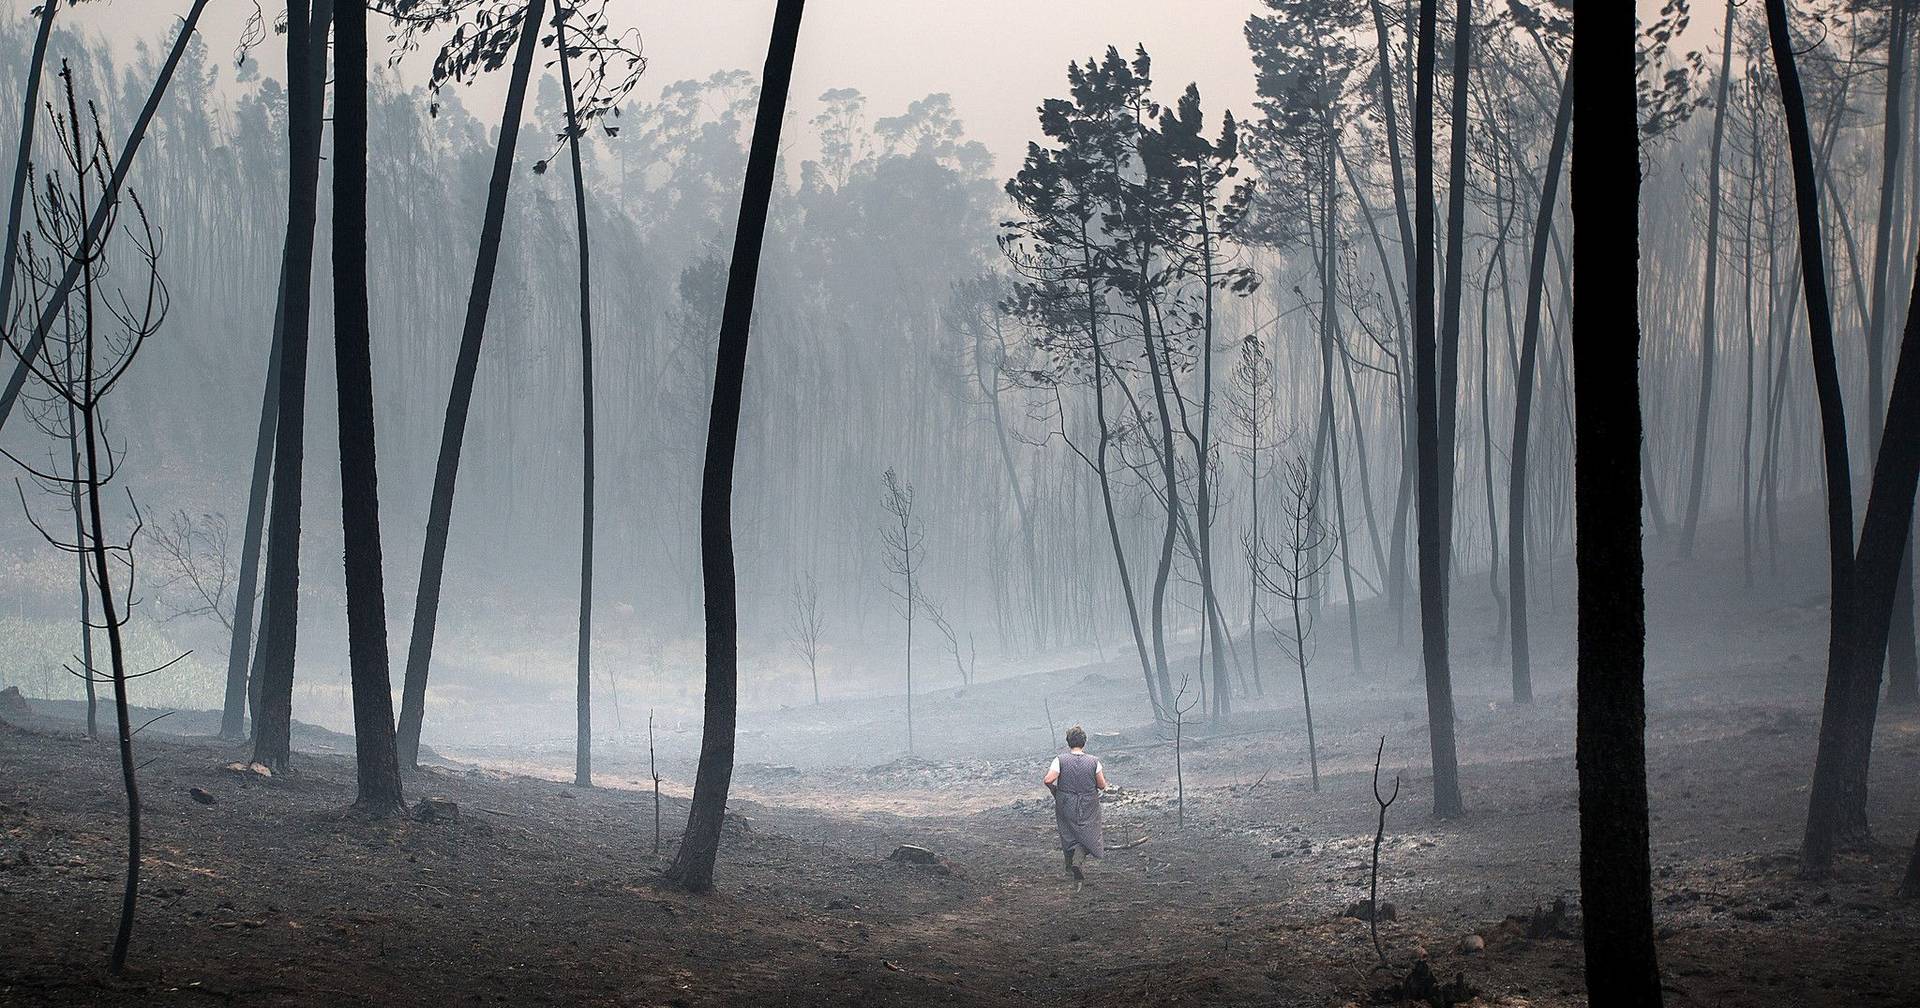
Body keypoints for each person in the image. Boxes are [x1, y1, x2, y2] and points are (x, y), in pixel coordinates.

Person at [1043, 725, 1108, 882]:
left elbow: (1048, 780)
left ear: (1068, 742)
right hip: (1088, 803)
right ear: (1084, 742)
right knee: (1091, 834)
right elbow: (1101, 785)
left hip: (1065, 801)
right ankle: (1077, 862)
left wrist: (1056, 792)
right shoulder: (1094, 762)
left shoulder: (1060, 760)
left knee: (1068, 832)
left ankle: (1069, 866)